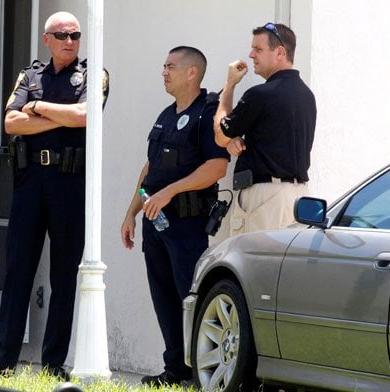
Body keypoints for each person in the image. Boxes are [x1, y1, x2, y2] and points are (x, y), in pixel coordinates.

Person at [0, 11, 109, 381]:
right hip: (30, 182)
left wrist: (38, 108)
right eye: (62, 35)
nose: (70, 41)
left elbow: (87, 115)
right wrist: (63, 115)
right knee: (19, 269)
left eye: (75, 35)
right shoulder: (30, 75)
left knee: (64, 276)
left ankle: (53, 363)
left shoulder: (94, 73)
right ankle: (4, 359)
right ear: (47, 39)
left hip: (69, 183)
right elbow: (10, 122)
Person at [120, 46, 228, 387]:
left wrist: (170, 192)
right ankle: (174, 369)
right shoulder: (166, 115)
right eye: (163, 66)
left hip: (187, 224)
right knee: (164, 298)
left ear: (192, 72)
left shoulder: (206, 112)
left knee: (189, 298)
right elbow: (150, 168)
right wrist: (131, 213)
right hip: (156, 225)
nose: (163, 72)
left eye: (170, 66)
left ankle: (200, 373)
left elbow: (217, 167)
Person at [213, 23, 317, 236]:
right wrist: (235, 138)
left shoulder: (260, 94)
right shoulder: (307, 96)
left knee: (253, 266)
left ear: (280, 52)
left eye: (258, 49)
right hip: (301, 198)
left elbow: (220, 133)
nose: (251, 55)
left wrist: (230, 85)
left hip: (265, 198)